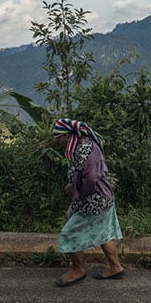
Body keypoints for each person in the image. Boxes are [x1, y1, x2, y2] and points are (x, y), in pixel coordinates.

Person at [52, 118, 125, 287]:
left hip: (93, 201)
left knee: (68, 233)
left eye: (60, 137)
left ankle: (78, 270)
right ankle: (116, 267)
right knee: (104, 232)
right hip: (104, 196)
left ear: (69, 135)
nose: (58, 141)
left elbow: (91, 178)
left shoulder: (84, 149)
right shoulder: (85, 145)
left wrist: (75, 188)